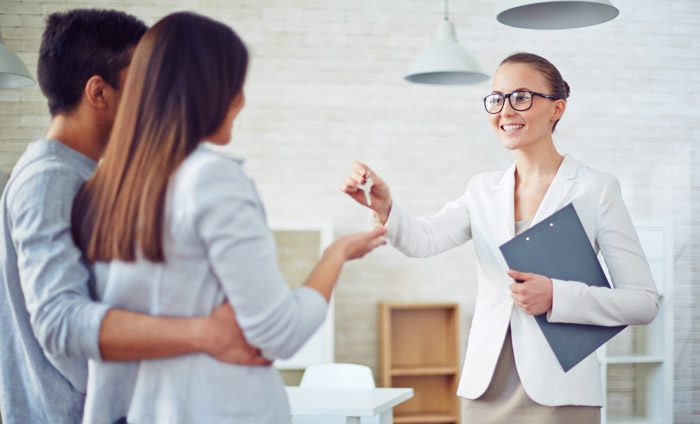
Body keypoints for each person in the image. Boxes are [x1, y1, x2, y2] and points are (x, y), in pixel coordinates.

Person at [70, 11, 387, 424]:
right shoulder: (212, 179)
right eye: (236, 83)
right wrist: (337, 254)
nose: (242, 99)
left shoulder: (105, 189)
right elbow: (279, 333)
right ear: (209, 89)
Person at [342, 52, 659, 423]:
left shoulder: (597, 189)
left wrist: (557, 295)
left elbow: (643, 302)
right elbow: (422, 240)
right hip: (487, 386)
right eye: (497, 99)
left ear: (557, 108)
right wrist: (385, 207)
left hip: (561, 388)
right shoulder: (482, 190)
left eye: (521, 97)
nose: (505, 111)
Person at [0, 10, 267, 424]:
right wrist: (200, 335)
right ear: (98, 92)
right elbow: (60, 321)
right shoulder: (50, 179)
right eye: (142, 83)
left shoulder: (84, 173)